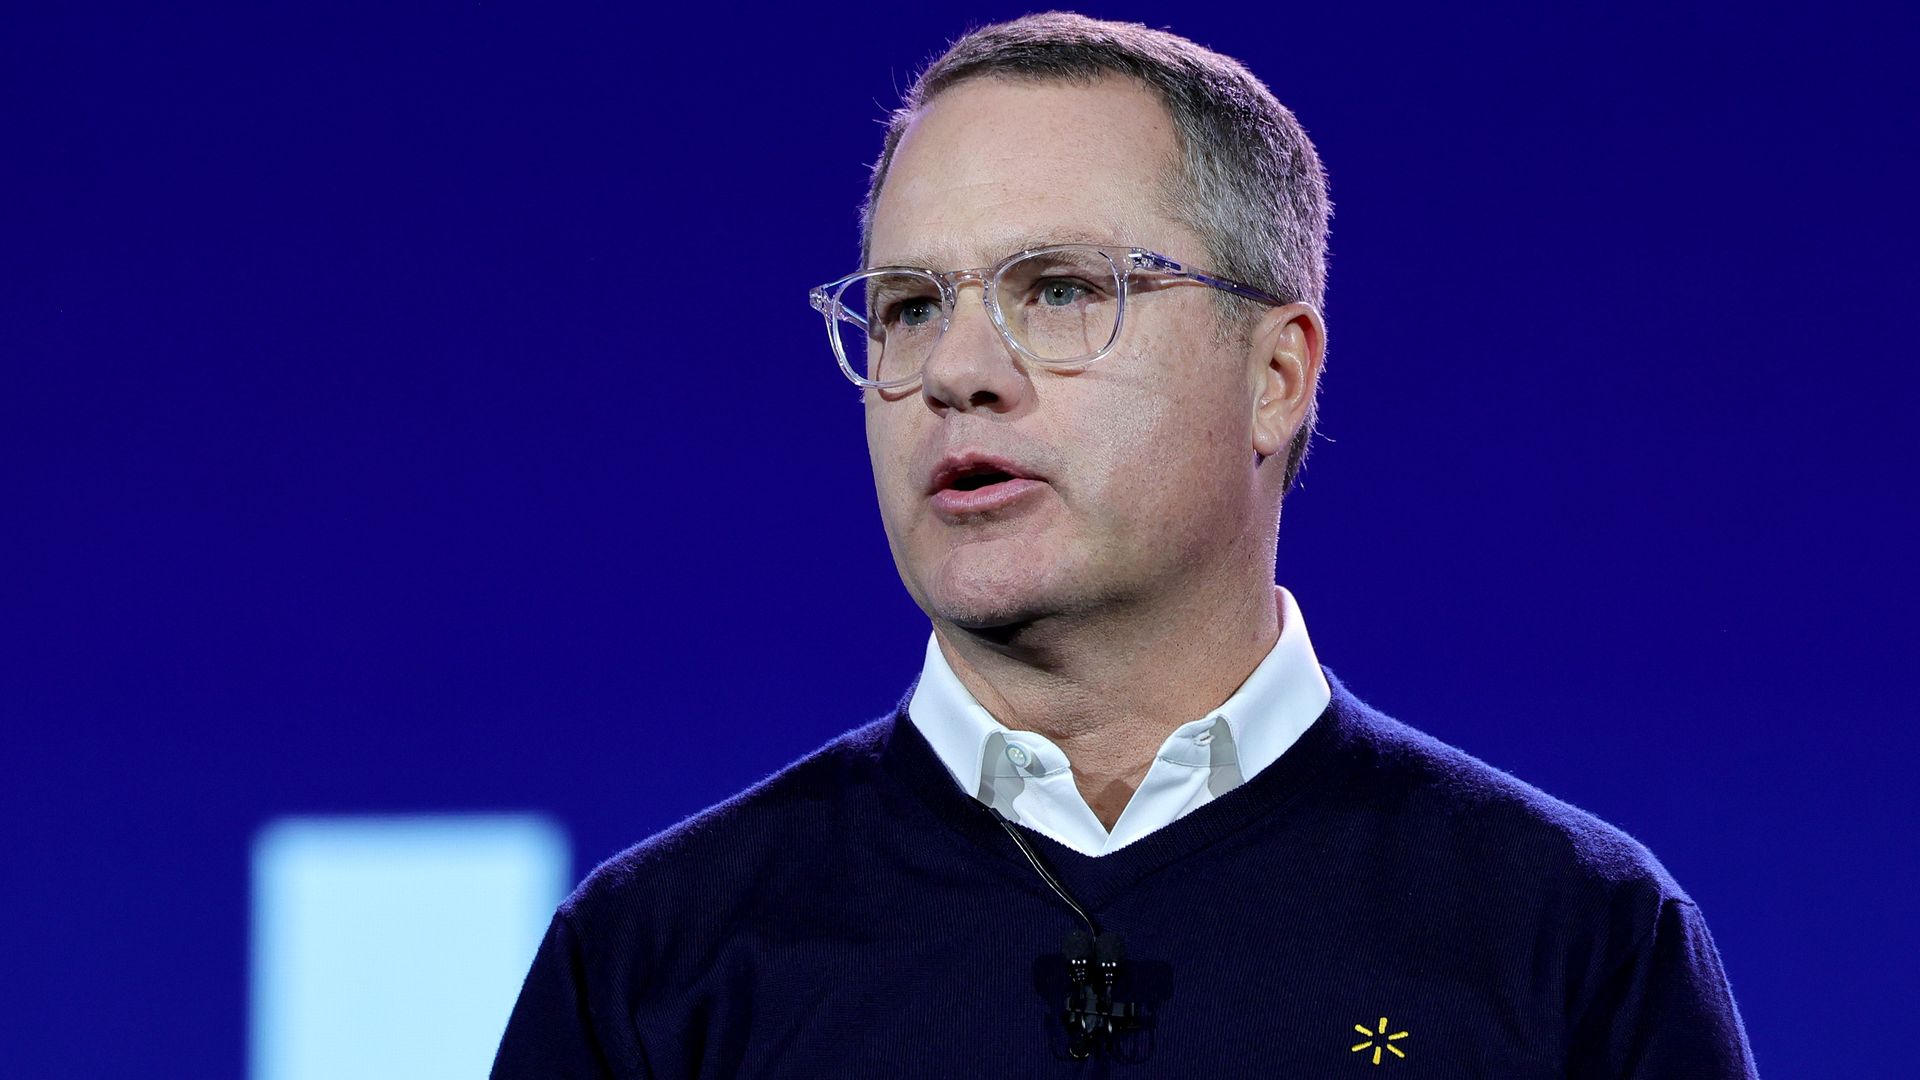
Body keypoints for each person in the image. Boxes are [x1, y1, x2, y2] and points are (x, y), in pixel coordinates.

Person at [492, 12, 1757, 1077]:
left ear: (1275, 376)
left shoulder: (1571, 939)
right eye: (909, 309)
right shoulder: (656, 966)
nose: (957, 374)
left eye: (1058, 290)